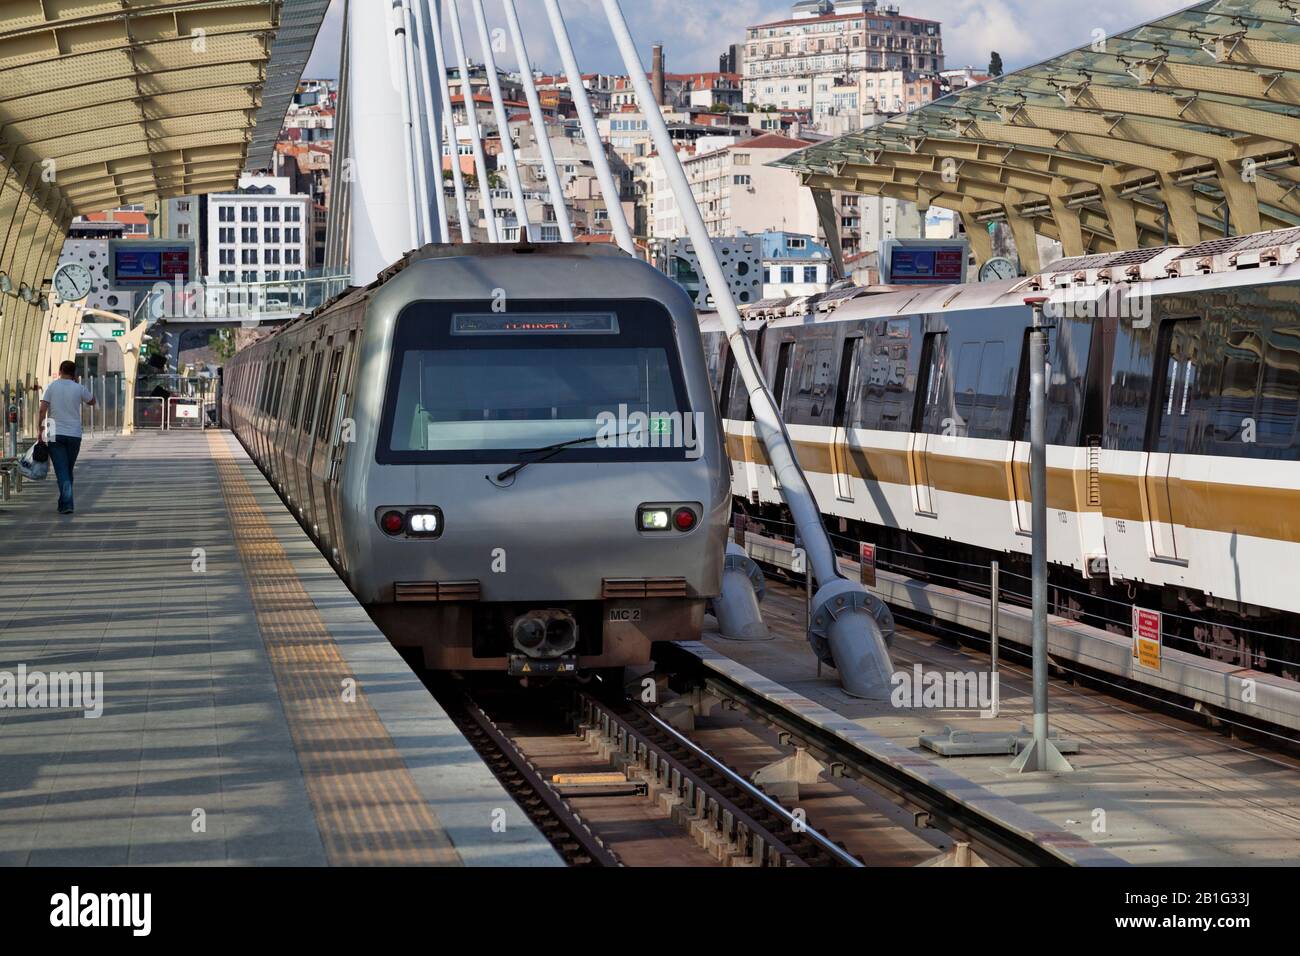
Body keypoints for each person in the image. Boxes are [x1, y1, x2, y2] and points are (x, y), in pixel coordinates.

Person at [39, 360, 96, 515]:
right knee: (67, 470)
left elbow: (42, 410)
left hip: (54, 434)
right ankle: (65, 503)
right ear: (74, 373)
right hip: (74, 435)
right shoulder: (79, 388)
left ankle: (66, 503)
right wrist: (77, 384)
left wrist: (40, 429)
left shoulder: (51, 387)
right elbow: (92, 401)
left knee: (63, 470)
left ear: (60, 370)